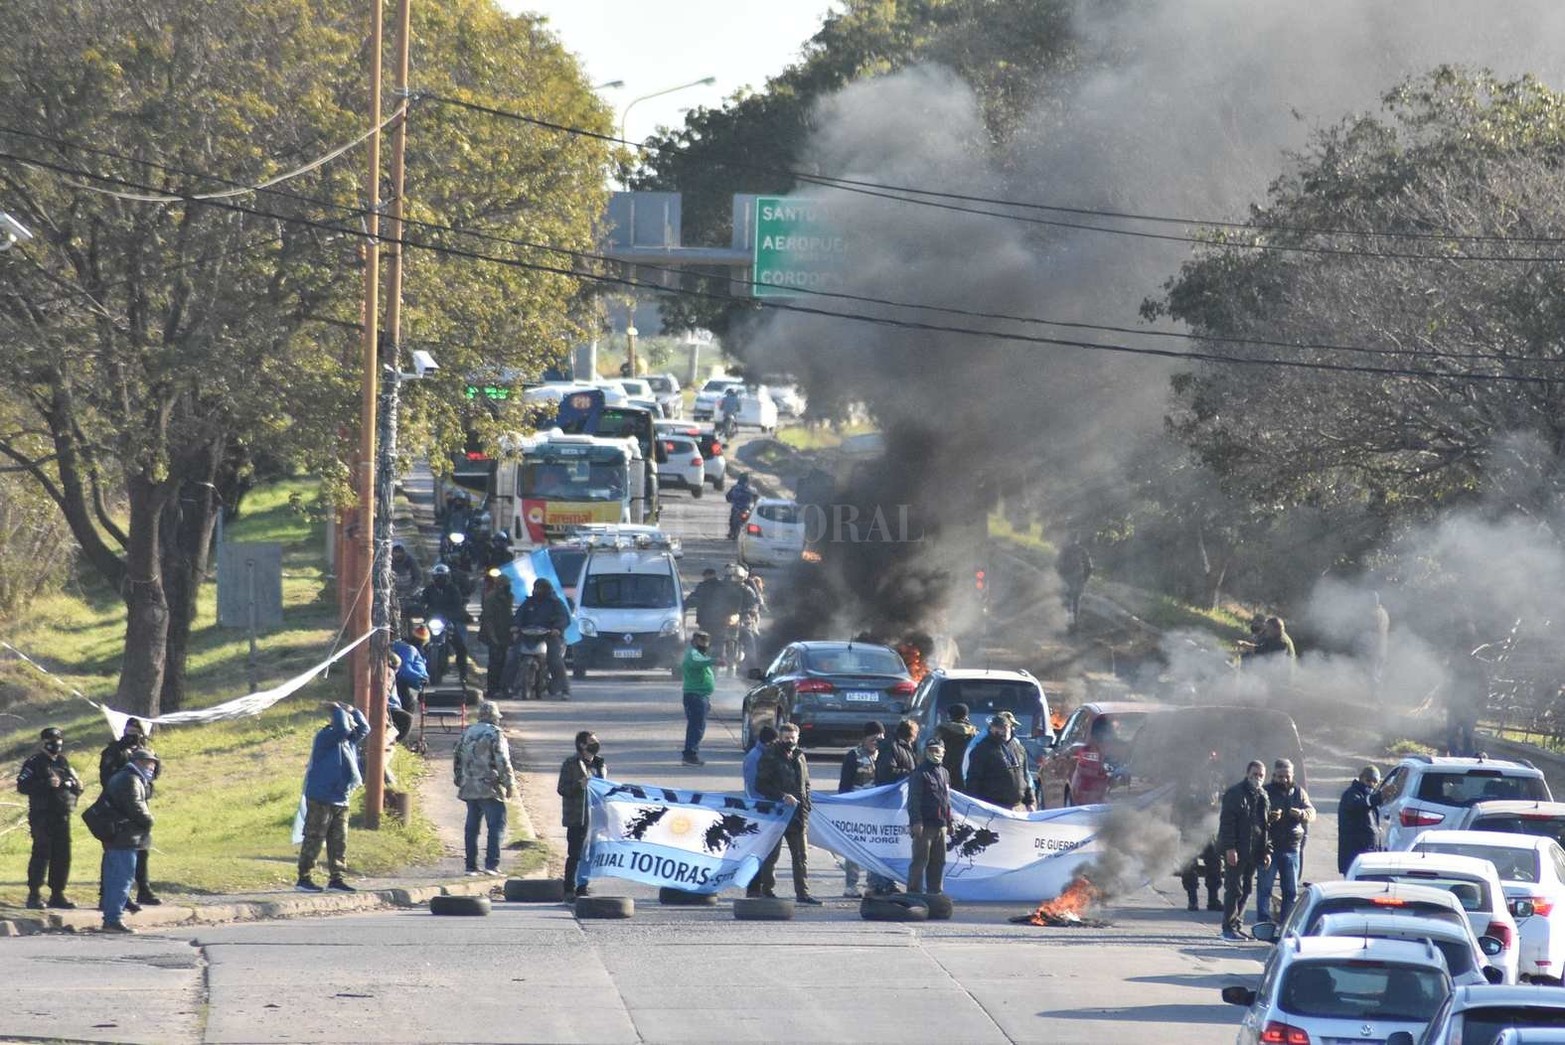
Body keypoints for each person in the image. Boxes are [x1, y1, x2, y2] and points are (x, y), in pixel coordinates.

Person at [297, 702, 370, 893]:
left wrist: (353, 710)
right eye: (348, 722)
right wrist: (337, 709)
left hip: (341, 797)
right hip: (322, 796)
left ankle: (337, 878)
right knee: (315, 837)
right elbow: (342, 729)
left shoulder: (348, 740)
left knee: (339, 840)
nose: (352, 727)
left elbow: (365, 729)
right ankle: (304, 878)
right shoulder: (326, 737)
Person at [753, 723, 821, 904]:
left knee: (801, 856)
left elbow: (806, 784)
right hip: (777, 814)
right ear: (780, 738)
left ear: (798, 738)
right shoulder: (770, 756)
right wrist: (782, 796)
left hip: (798, 814)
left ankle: (803, 893)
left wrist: (807, 805)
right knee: (771, 855)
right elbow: (760, 785)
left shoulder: (800, 756)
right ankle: (767, 890)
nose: (789, 741)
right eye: (786, 738)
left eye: (792, 738)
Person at [17, 727, 83, 910]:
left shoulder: (62, 761)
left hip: (62, 815)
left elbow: (72, 782)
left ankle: (57, 893)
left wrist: (77, 786)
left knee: (62, 855)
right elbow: (22, 785)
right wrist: (45, 783)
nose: (56, 744)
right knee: (41, 853)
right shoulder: (34, 762)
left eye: (59, 740)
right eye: (51, 740)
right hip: (42, 816)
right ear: (43, 743)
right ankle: (34, 894)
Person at [98, 718, 161, 909]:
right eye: (129, 730)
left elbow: (155, 774)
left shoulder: (145, 751)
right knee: (116, 851)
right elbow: (106, 778)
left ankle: (143, 888)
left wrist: (150, 758)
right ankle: (108, 894)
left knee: (142, 848)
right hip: (118, 807)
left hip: (140, 803)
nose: (132, 734)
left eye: (136, 730)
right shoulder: (114, 751)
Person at [453, 701, 516, 877]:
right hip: (490, 786)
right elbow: (502, 760)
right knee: (496, 824)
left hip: (469, 785)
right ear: (494, 717)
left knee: (472, 827)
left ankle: (471, 866)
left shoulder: (467, 732)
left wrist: (459, 779)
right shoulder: (495, 734)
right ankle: (492, 864)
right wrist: (509, 783)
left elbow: (457, 757)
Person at [1217, 759, 1272, 940]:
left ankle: (1237, 924)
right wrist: (1230, 848)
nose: (1257, 778)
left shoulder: (1263, 796)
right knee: (1234, 889)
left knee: (1247, 889)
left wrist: (1267, 850)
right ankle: (1228, 927)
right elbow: (1227, 823)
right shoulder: (1235, 794)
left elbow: (1265, 826)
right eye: (1254, 774)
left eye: (1261, 775)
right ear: (1247, 774)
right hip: (1237, 849)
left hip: (1254, 851)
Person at [1258, 758, 1314, 924]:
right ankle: (1263, 922)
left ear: (1292, 775)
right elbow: (1254, 817)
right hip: (1270, 847)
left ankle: (1286, 923)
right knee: (1265, 888)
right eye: (1280, 776)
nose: (1284, 780)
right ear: (1274, 775)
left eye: (1287, 776)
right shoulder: (1265, 792)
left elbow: (1312, 812)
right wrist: (1269, 818)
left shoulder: (1299, 792)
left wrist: (1302, 814)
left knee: (1290, 891)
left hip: (1292, 847)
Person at [557, 730, 606, 900]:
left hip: (596, 817)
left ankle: (583, 886)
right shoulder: (571, 764)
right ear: (582, 745)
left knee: (591, 853)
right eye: (592, 741)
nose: (596, 744)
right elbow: (562, 789)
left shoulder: (600, 764)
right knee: (576, 854)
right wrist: (580, 785)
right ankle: (569, 888)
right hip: (578, 816)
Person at [837, 721, 883, 896]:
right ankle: (851, 885)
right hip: (856, 809)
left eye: (880, 738)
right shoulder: (854, 756)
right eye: (873, 738)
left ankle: (872, 884)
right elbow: (844, 784)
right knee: (853, 848)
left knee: (875, 847)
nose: (876, 741)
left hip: (876, 809)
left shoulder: (884, 755)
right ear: (865, 738)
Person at [511, 577, 572, 698]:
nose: (537, 591)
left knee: (554, 659)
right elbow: (519, 616)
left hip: (549, 637)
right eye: (536, 588)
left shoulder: (556, 603)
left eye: (540, 588)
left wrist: (557, 628)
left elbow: (564, 618)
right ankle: (511, 688)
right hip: (528, 636)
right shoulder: (529, 602)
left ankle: (564, 689)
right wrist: (515, 626)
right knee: (512, 657)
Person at [906, 738, 953, 895]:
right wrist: (916, 821)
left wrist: (949, 821)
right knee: (920, 861)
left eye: (937, 750)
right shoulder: (919, 773)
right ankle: (914, 893)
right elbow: (913, 800)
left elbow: (947, 799)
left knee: (939, 862)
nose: (935, 753)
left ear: (944, 752)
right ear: (926, 752)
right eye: (931, 750)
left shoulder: (945, 773)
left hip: (941, 825)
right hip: (925, 825)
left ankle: (935, 894)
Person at [965, 711, 1036, 811]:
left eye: (1005, 727)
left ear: (1011, 728)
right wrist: (973, 805)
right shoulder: (982, 750)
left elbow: (1025, 776)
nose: (1002, 730)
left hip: (1017, 807)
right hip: (991, 807)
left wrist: (1030, 802)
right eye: (998, 727)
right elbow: (973, 780)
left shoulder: (1019, 748)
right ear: (991, 728)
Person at [419, 563, 471, 686]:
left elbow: (458, 605)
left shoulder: (453, 589)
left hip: (448, 621)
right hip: (432, 621)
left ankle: (463, 675)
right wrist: (422, 611)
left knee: (461, 647)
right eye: (437, 577)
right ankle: (420, 672)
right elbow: (422, 603)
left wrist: (456, 615)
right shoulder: (429, 589)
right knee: (418, 643)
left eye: (442, 577)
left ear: (448, 577)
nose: (440, 579)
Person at [1338, 765, 1385, 874]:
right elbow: (1359, 805)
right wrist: (1378, 797)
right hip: (1354, 855)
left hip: (1369, 853)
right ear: (1361, 778)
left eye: (1375, 782)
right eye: (1368, 780)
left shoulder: (1370, 797)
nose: (1371, 784)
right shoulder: (1351, 794)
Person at [680, 630, 716, 766]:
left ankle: (691, 753)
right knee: (696, 727)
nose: (705, 645)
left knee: (697, 726)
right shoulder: (693, 654)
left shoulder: (698, 653)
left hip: (700, 695)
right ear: (695, 642)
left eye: (707, 642)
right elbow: (697, 662)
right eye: (702, 642)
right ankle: (690, 755)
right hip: (695, 696)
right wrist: (714, 661)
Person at [478, 568, 514, 698]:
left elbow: (508, 615)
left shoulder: (509, 597)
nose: (508, 587)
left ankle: (504, 687)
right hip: (493, 635)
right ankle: (492, 689)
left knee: (506, 662)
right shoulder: (491, 598)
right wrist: (493, 638)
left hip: (505, 634)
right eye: (506, 585)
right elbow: (488, 620)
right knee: (495, 663)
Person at [933, 703, 978, 793]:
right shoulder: (974, 734)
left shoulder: (941, 731)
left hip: (943, 774)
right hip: (966, 775)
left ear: (950, 715)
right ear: (966, 716)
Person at [1056, 535, 1092, 630]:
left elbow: (1058, 565)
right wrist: (1084, 579)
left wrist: (1060, 577)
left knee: (1067, 602)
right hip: (1078, 579)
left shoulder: (1065, 550)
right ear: (1077, 540)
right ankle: (1074, 623)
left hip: (1068, 579)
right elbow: (1088, 567)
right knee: (1076, 602)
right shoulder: (1082, 550)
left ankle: (1067, 623)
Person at [384, 652, 414, 746]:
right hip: (390, 707)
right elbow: (386, 692)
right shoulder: (389, 672)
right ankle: (392, 741)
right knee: (407, 718)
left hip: (391, 705)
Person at [744, 724, 780, 800]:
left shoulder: (769, 753)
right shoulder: (754, 757)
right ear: (768, 743)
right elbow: (752, 782)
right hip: (759, 801)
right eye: (776, 741)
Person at [725, 474, 755, 540]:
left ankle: (732, 532)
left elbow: (728, 497)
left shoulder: (735, 488)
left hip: (737, 508)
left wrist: (731, 500)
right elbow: (757, 499)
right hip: (746, 509)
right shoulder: (752, 489)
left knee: (732, 519)